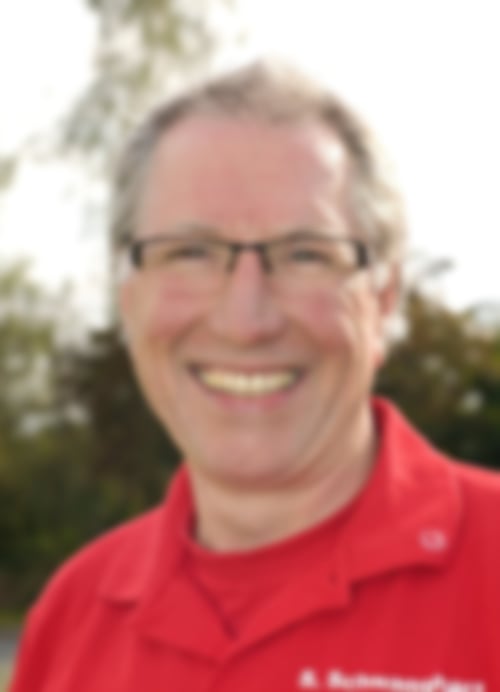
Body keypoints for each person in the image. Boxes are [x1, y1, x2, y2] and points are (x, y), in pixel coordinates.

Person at [10, 61, 500, 692]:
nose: (246, 321)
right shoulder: (74, 613)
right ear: (129, 300)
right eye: (191, 252)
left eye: (305, 255)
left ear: (382, 302)